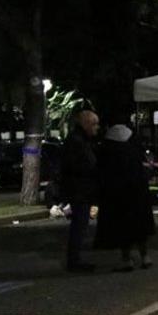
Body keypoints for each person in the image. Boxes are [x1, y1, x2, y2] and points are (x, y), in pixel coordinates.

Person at [94, 124, 155, 271]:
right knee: (140, 228)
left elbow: (102, 174)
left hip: (118, 196)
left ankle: (126, 259)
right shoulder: (134, 150)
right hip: (138, 194)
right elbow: (145, 169)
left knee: (123, 229)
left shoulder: (107, 151)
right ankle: (145, 256)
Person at [61, 109, 100, 272]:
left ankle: (75, 259)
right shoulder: (77, 141)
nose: (96, 128)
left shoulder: (79, 140)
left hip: (80, 189)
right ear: (86, 124)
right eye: (94, 124)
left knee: (80, 226)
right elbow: (79, 166)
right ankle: (74, 261)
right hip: (79, 190)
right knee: (79, 226)